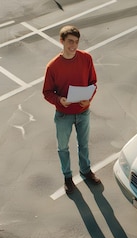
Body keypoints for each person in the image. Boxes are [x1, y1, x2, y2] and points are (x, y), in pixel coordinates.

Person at [42, 25, 101, 194]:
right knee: (63, 147)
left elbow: (93, 83)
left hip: (83, 111)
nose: (73, 46)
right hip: (63, 114)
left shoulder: (86, 58)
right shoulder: (53, 67)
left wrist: (88, 98)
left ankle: (85, 170)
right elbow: (46, 92)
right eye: (69, 42)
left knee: (83, 144)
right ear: (61, 41)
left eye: (76, 42)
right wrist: (59, 100)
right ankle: (68, 177)